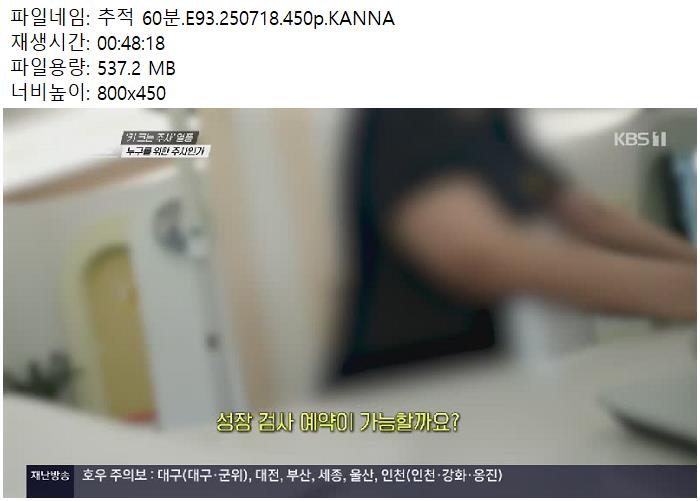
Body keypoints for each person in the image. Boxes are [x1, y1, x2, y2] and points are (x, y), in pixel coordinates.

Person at [339, 109, 696, 376]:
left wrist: (691, 258)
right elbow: (479, 258)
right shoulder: (408, 119)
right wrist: (683, 290)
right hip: (393, 384)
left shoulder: (495, 133)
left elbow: (588, 217)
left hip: (470, 369)